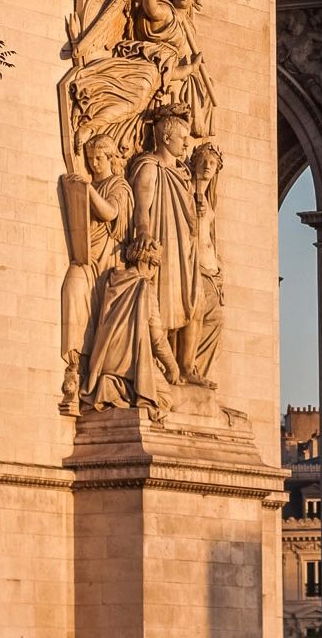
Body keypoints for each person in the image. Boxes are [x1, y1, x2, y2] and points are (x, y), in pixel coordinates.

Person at [59, 133, 132, 409]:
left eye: (99, 158)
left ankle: (96, 376)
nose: (94, 164)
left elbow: (110, 213)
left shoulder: (119, 186)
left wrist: (88, 190)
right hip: (86, 259)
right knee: (72, 289)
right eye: (90, 160)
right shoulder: (92, 181)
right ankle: (76, 365)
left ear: (112, 158)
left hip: (108, 266)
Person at [127, 100, 200, 362]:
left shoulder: (182, 173)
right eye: (182, 137)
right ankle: (155, 363)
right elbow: (142, 208)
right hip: (162, 241)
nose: (186, 143)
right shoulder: (149, 166)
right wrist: (144, 233)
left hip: (183, 247)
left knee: (189, 302)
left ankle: (182, 365)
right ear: (166, 137)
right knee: (163, 302)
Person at [82, 235, 181, 413]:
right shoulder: (145, 288)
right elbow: (157, 338)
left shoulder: (113, 282)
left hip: (104, 364)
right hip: (129, 366)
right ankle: (127, 390)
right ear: (151, 264)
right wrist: (172, 367)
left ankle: (114, 388)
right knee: (165, 399)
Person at [176, 143, 224, 386]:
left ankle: (196, 369)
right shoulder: (186, 191)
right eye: (203, 161)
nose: (207, 166)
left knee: (215, 320)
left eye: (212, 163)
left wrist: (218, 266)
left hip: (210, 272)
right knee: (195, 313)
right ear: (193, 163)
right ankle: (186, 368)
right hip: (192, 267)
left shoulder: (209, 198)